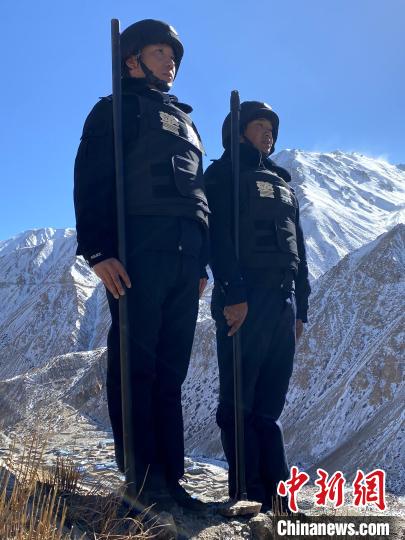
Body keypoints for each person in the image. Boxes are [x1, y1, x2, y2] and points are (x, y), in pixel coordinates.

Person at [74, 19, 209, 511]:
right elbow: (91, 179)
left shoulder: (186, 122)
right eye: (159, 52)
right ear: (131, 60)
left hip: (185, 260)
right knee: (137, 367)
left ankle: (171, 480)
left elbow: (196, 195)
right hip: (139, 251)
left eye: (173, 55)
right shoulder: (115, 109)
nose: (170, 61)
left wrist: (202, 265)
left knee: (170, 372)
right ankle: (141, 480)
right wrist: (98, 250)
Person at [204, 101, 311, 513]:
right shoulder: (222, 175)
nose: (268, 131)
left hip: (282, 301)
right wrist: (234, 293)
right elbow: (217, 236)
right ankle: (245, 491)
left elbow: (298, 247)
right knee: (238, 402)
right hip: (244, 298)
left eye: (271, 126)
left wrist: (301, 307)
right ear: (237, 131)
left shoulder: (283, 182)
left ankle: (278, 499)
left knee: (269, 406)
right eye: (259, 124)